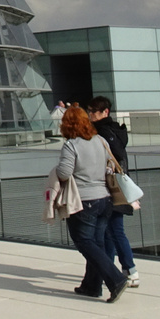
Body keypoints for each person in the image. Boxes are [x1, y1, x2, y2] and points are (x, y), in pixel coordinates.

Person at [53, 105, 127, 302]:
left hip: (84, 201)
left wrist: (56, 169)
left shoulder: (72, 145)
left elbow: (64, 173)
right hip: (104, 199)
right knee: (97, 243)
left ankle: (116, 279)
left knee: (84, 242)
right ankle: (92, 286)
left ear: (67, 125)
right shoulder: (100, 141)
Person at [87, 96, 139, 288]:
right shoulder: (114, 130)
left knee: (115, 231)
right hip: (112, 187)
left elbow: (114, 157)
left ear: (105, 112)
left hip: (111, 188)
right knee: (107, 233)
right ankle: (109, 271)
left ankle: (130, 270)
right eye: (89, 111)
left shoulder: (104, 132)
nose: (90, 115)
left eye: (94, 112)